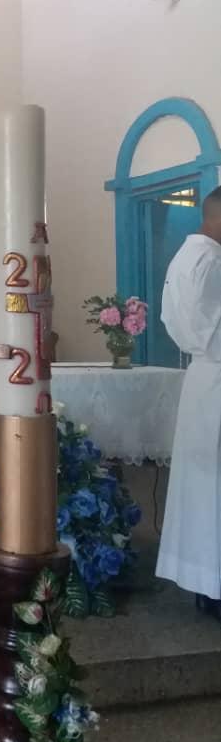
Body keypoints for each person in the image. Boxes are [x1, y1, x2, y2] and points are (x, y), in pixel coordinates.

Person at [156, 187, 221, 619]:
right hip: (217, 371)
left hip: (205, 377)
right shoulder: (212, 261)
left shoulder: (185, 258)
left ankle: (206, 581)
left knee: (205, 487)